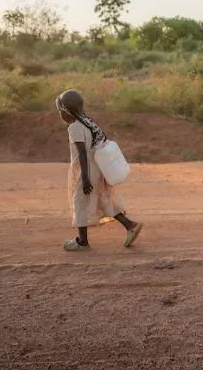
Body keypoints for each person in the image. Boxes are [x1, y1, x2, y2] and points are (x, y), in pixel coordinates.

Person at [56, 89, 143, 250]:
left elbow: (82, 153)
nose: (60, 114)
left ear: (66, 111)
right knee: (104, 199)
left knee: (79, 202)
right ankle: (130, 225)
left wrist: (85, 179)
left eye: (60, 111)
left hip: (87, 170)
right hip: (98, 167)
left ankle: (82, 241)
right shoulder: (87, 121)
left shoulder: (74, 127)